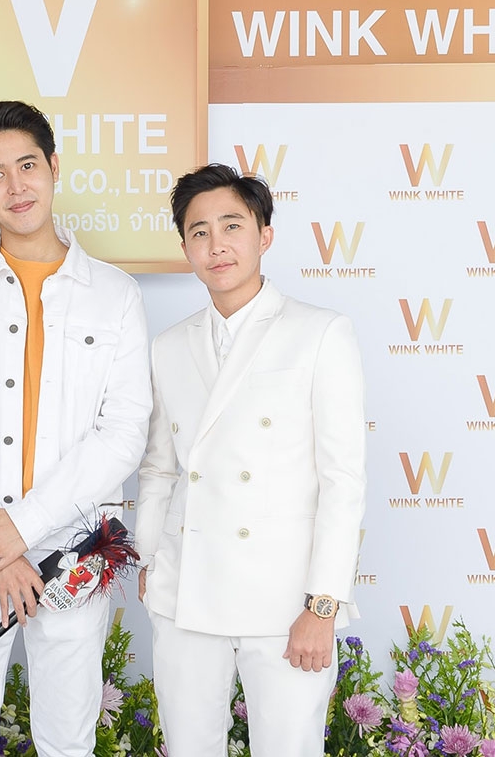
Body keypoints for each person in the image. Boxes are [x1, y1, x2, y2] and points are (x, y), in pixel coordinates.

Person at [0, 101, 152, 757]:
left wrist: (25, 527)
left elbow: (124, 431)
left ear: (54, 167)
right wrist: (0, 542)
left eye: (27, 166)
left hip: (73, 548)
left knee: (68, 737)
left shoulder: (115, 294)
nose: (15, 187)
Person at [136, 163, 367, 757]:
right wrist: (149, 557)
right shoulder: (169, 345)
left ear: (265, 235)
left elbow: (342, 481)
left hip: (286, 600)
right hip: (186, 590)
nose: (217, 245)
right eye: (199, 231)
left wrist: (323, 604)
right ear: (185, 247)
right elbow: (160, 467)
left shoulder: (320, 332)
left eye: (231, 226)